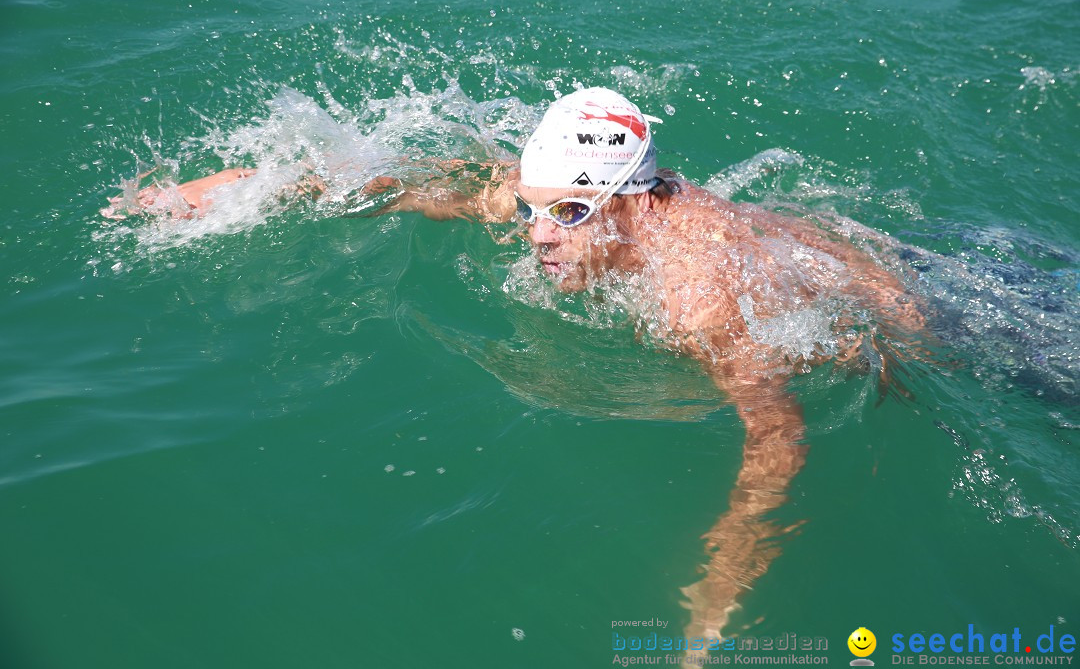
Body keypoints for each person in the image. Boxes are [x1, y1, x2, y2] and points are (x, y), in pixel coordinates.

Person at [104, 87, 928, 660]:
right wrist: (227, 193)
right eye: (531, 209)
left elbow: (779, 433)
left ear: (633, 202)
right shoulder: (557, 201)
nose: (538, 235)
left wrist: (717, 592)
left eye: (566, 214)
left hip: (929, 317)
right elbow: (393, 190)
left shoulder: (697, 299)